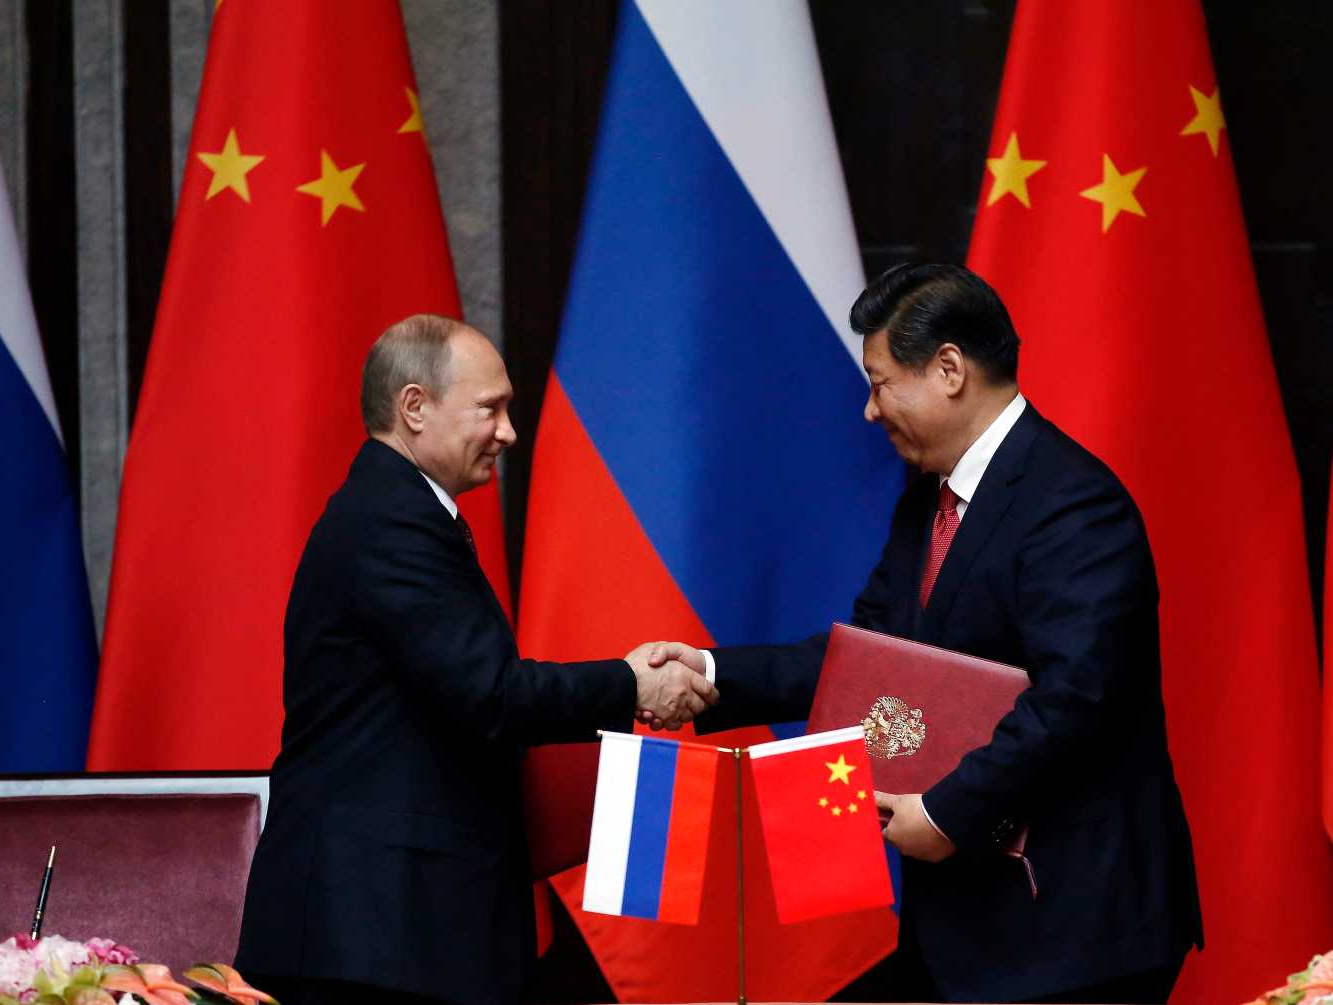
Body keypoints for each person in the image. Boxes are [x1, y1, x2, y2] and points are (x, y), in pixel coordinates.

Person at [643, 265, 1203, 1004]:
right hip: (969, 922)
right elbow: (863, 663)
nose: (870, 411)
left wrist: (943, 812)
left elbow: (1074, 700)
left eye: (879, 383)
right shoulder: (927, 503)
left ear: (948, 369)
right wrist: (710, 674)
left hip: (1074, 926)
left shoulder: (1074, 503)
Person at [235, 315, 714, 1005]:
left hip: (395, 927)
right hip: (377, 931)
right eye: (490, 408)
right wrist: (632, 683)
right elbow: (491, 692)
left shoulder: (402, 511)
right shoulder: (391, 520)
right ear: (414, 408)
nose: (509, 432)